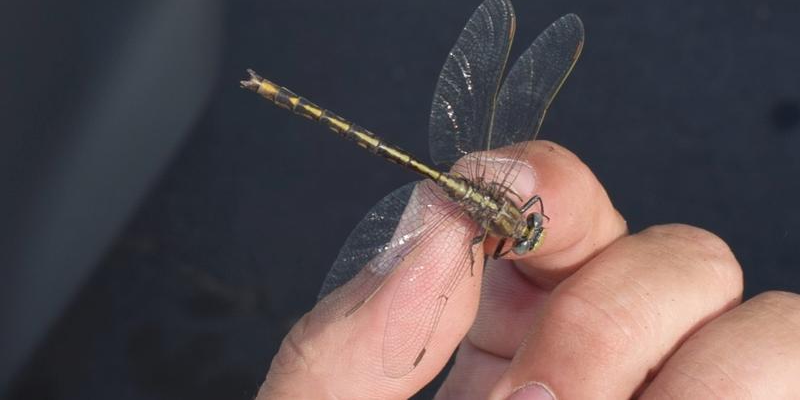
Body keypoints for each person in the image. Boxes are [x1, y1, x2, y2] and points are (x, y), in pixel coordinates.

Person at [256, 141, 800, 399]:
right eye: (528, 233)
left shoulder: (502, 235)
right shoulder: (482, 232)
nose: (531, 234)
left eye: (527, 234)